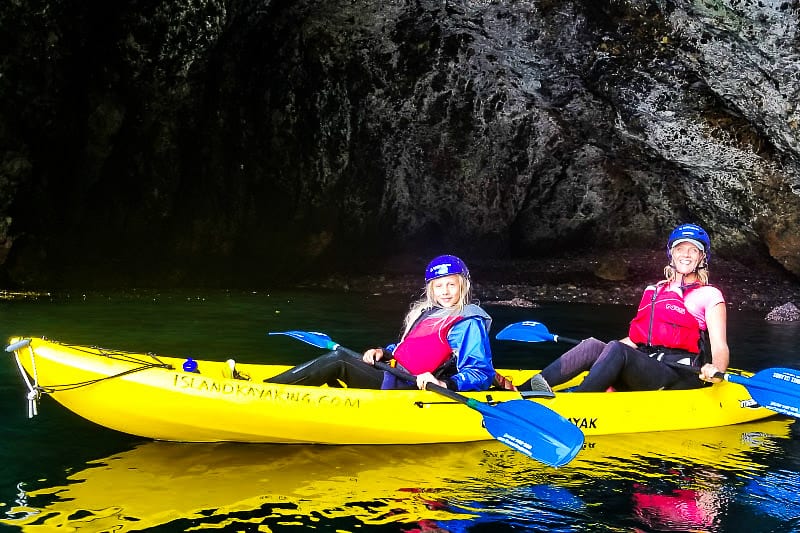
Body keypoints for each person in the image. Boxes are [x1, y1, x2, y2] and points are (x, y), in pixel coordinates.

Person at [520, 223, 729, 393]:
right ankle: (524, 390)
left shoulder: (709, 294)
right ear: (671, 254)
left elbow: (720, 346)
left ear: (702, 257)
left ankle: (577, 401)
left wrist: (716, 370)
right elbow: (637, 339)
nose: (686, 254)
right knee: (594, 345)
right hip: (646, 366)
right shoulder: (655, 290)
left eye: (694, 250)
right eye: (680, 249)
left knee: (616, 349)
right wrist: (601, 356)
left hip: (680, 374)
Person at [266, 255, 496, 391]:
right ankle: (277, 389)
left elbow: (481, 372)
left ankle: (265, 391)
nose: (445, 291)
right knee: (343, 360)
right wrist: (383, 352)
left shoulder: (468, 322)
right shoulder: (428, 313)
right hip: (391, 370)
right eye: (439, 285)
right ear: (431, 289)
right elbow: (407, 351)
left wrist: (444, 384)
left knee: (340, 361)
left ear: (462, 286)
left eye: (451, 285)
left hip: (407, 386)